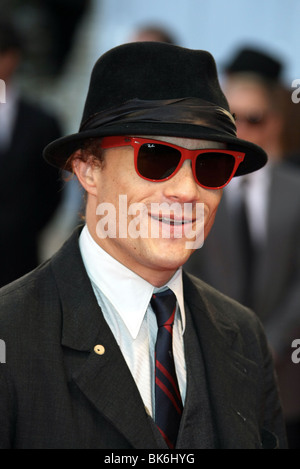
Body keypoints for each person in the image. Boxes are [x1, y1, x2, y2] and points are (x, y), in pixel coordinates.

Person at [0, 41, 287, 449]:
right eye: (155, 157)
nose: (187, 190)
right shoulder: (11, 336)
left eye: (211, 165)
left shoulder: (243, 335)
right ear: (88, 168)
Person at [185, 46, 300, 448]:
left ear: (274, 121)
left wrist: (273, 337)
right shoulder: (191, 188)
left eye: (255, 118)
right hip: (208, 366)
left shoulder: (295, 190)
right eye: (232, 118)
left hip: (287, 375)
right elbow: (183, 266)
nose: (243, 130)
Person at [0, 18, 63, 287]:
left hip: (20, 264)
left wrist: (22, 229)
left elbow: (52, 190)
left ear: (13, 58)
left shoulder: (42, 122)